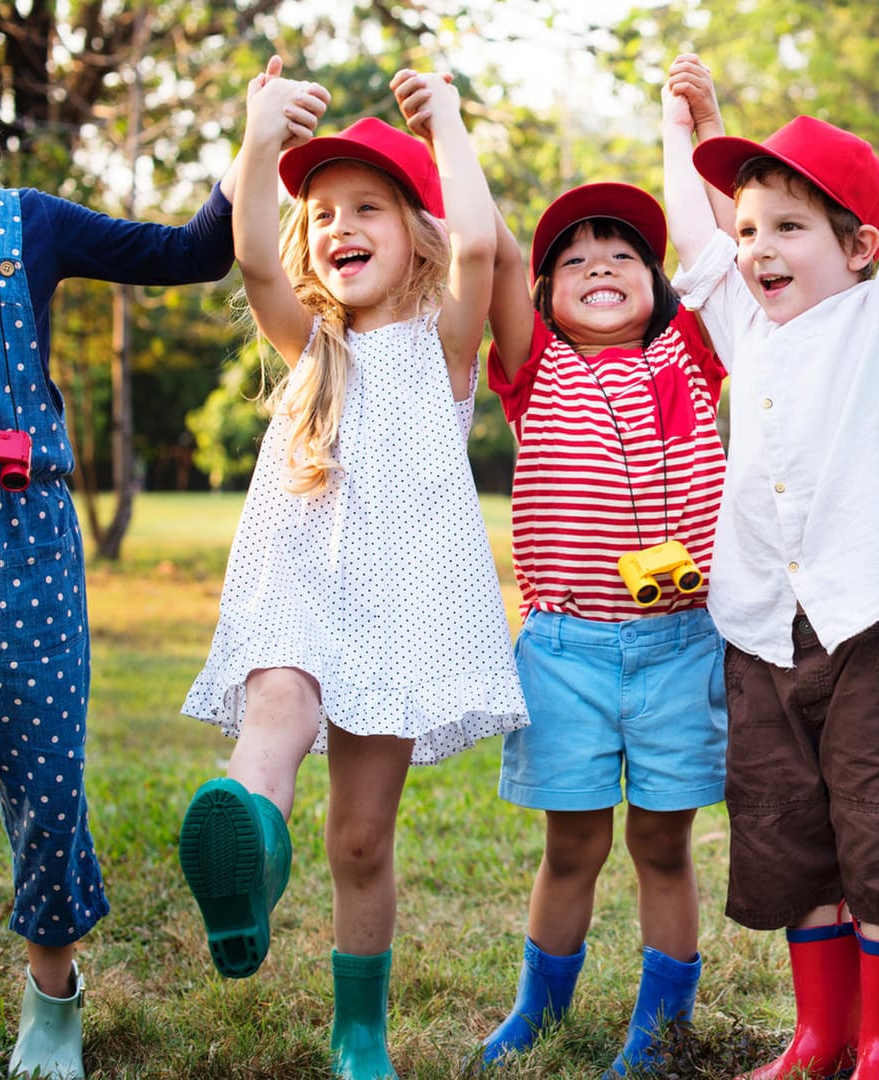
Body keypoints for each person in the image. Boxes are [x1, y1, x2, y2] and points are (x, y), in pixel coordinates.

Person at [176, 63, 525, 1079]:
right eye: (322, 212)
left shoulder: (442, 346)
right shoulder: (310, 347)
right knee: (274, 723)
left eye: (367, 206)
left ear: (411, 229)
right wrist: (253, 137)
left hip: (399, 620)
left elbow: (478, 241)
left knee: (362, 841)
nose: (339, 225)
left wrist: (451, 118)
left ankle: (357, 1030)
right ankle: (242, 849)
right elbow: (249, 262)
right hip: (294, 601)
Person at [0, 0, 261, 1073]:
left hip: (24, 538)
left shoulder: (30, 223)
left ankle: (52, 997)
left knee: (43, 772)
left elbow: (192, 253)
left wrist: (251, 145)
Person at [656, 0, 879, 1073]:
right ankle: (817, 1035)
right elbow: (695, 240)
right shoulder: (745, 322)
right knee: (792, 834)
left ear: (860, 245)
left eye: (789, 228)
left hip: (859, 627)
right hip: (757, 629)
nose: (758, 249)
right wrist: (685, 121)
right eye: (752, 231)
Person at [471, 174, 727, 1075]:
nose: (601, 266)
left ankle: (661, 1028)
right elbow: (495, 247)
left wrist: (702, 128)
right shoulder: (531, 364)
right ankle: (538, 1008)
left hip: (682, 645)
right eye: (573, 260)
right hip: (565, 650)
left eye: (624, 255)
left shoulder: (694, 350)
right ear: (542, 296)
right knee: (572, 843)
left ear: (658, 285)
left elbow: (726, 245)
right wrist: (447, 130)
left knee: (664, 841)